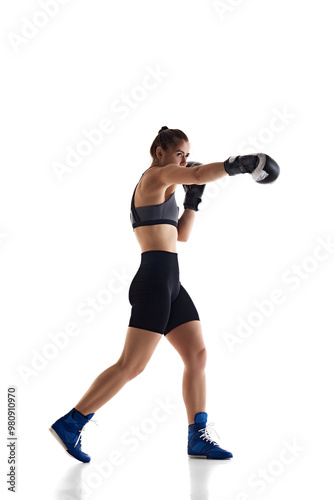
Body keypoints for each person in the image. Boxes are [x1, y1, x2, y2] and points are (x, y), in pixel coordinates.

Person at [49, 126, 279, 463]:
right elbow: (199, 172)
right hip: (154, 280)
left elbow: (182, 235)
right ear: (160, 153)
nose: (184, 161)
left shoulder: (167, 188)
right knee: (132, 366)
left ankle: (197, 438)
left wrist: (193, 200)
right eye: (179, 154)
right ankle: (71, 422)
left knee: (197, 355)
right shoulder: (155, 177)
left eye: (186, 155)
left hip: (171, 282)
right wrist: (240, 164)